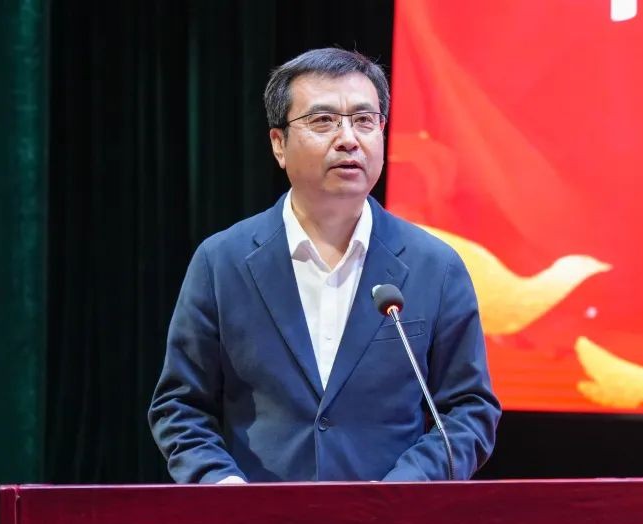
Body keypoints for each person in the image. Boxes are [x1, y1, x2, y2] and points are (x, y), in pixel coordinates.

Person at [148, 48, 500, 483]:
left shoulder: (435, 266)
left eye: (364, 120)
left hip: (390, 518)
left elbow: (469, 409)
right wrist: (224, 488)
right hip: (258, 516)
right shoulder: (222, 262)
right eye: (323, 120)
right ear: (278, 144)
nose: (348, 139)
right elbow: (180, 406)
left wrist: (403, 492)